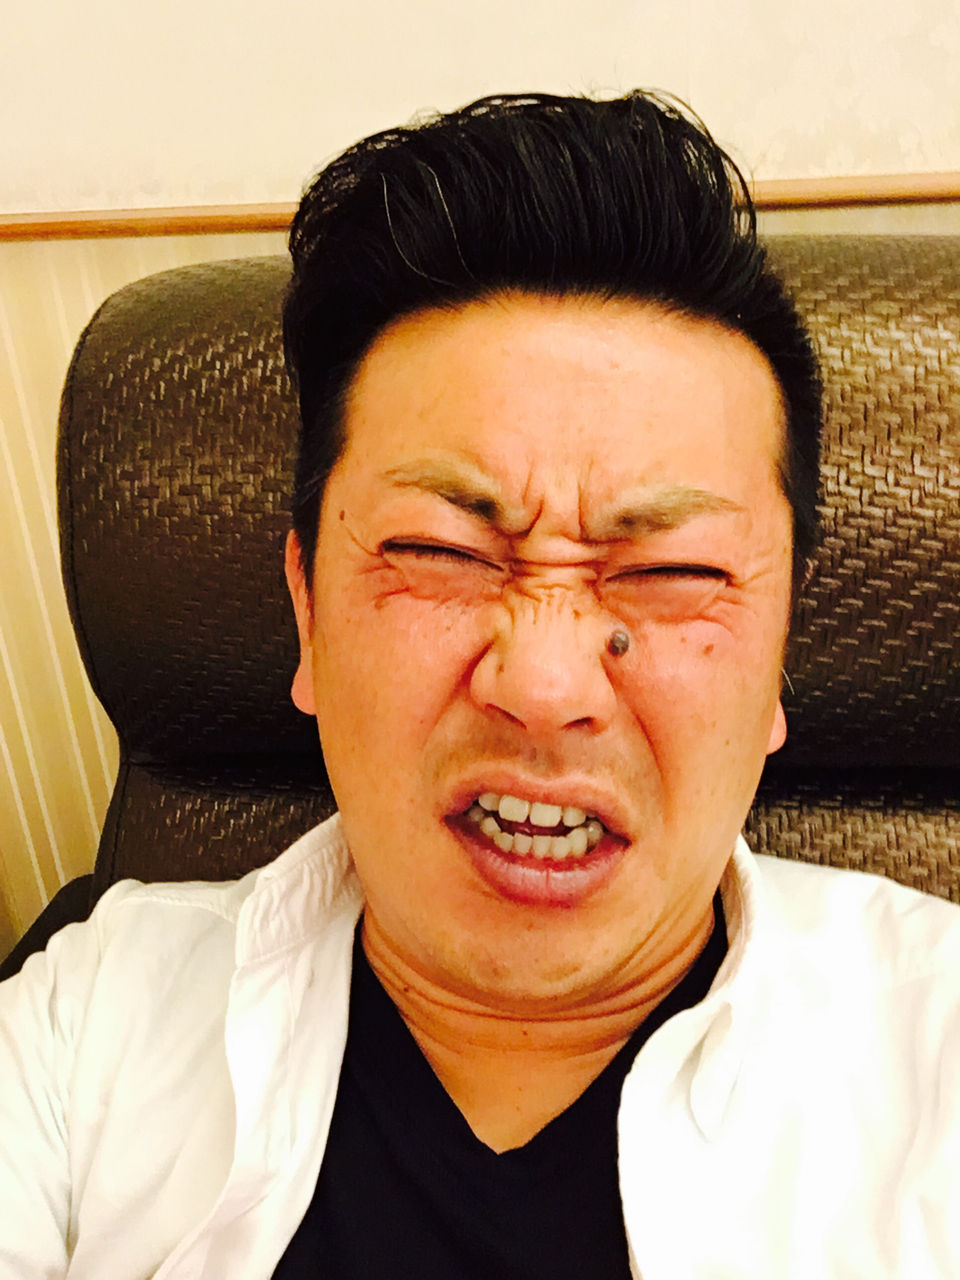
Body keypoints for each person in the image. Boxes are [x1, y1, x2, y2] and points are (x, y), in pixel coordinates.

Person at [1, 91, 958, 1279]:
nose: (546, 683)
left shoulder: (934, 1052)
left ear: (781, 647)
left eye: (670, 571)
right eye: (442, 552)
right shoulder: (86, 1026)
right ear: (308, 610)